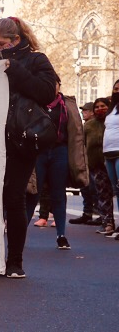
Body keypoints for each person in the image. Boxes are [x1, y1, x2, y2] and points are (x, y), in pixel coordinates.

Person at [0, 16, 58, 279]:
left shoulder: (37, 61)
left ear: (16, 41)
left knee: (14, 198)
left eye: (0, 44)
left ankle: (14, 262)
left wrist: (13, 67)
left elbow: (47, 93)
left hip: (22, 140)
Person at [25, 87, 87, 250]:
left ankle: (61, 235)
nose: (51, 86)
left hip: (60, 150)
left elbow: (76, 131)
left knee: (58, 193)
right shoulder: (36, 102)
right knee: (33, 192)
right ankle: (20, 234)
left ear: (59, 85)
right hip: (39, 151)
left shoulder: (67, 104)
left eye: (55, 83)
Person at [77, 98, 112, 232]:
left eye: (103, 106)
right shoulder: (89, 125)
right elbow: (83, 144)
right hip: (95, 164)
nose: (99, 109)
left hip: (111, 160)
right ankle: (107, 222)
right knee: (102, 194)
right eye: (96, 107)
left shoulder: (111, 123)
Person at [70, 101, 102, 226]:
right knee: (86, 188)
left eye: (86, 111)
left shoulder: (96, 124)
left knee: (96, 189)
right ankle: (87, 213)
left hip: (95, 161)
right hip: (86, 161)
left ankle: (100, 214)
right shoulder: (86, 125)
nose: (83, 113)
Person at [101, 80, 119, 240]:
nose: (117, 91)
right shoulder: (112, 109)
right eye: (115, 89)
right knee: (116, 190)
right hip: (108, 153)